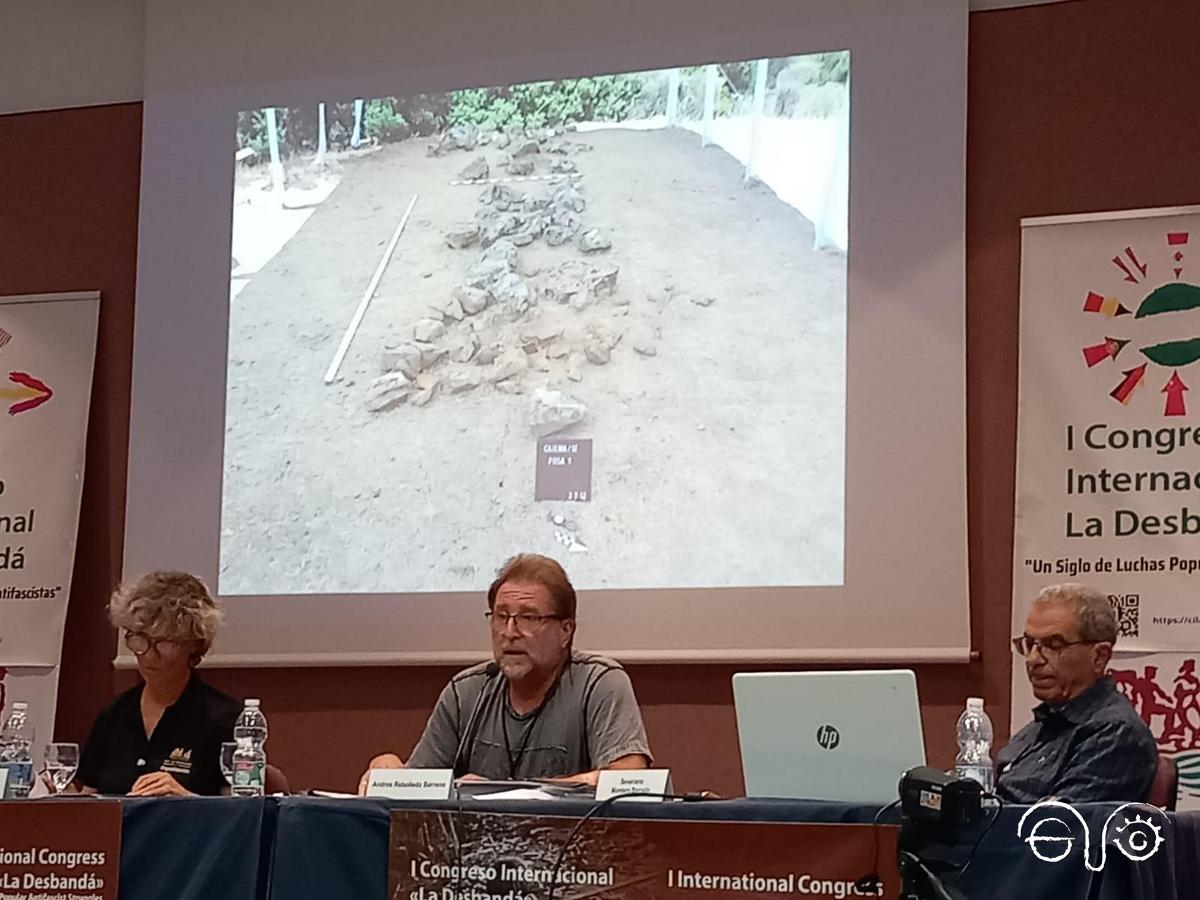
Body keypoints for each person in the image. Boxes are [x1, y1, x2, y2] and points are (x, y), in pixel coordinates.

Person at [360, 554, 651, 789]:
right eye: (501, 617)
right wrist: (389, 769)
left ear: (566, 631)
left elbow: (627, 781)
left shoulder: (599, 684)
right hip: (473, 860)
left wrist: (504, 793)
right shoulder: (466, 693)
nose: (510, 632)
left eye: (528, 617)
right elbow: (417, 790)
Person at [71, 571, 240, 796]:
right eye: (139, 639)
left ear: (194, 646)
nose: (149, 655)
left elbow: (239, 816)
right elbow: (89, 800)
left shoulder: (224, 719)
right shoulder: (114, 715)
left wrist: (185, 799)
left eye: (165, 643)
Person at [997, 583, 1157, 803]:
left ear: (1099, 656)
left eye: (1053, 644)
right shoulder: (1041, 726)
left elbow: (1055, 828)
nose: (1033, 659)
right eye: (1030, 643)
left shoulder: (1115, 734)